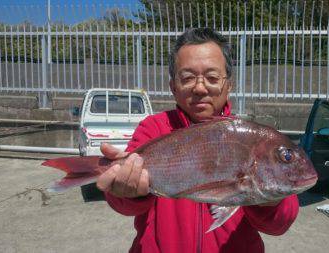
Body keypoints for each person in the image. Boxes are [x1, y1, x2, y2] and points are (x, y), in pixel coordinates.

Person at [96, 28, 299, 253]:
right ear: (173, 87)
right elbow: (122, 204)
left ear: (228, 85)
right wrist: (126, 190)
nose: (200, 88)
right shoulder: (153, 129)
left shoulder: (250, 136)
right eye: (188, 78)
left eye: (212, 78)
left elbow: (279, 224)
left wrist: (269, 201)